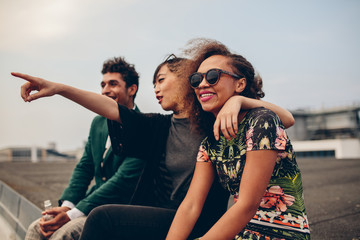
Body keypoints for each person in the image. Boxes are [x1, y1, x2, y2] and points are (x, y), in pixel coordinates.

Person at [12, 53, 294, 239]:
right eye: (153, 83)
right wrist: (59, 88)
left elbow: (285, 118)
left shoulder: (214, 124)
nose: (156, 89)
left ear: (185, 81)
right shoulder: (162, 127)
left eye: (161, 80)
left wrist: (239, 100)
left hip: (203, 222)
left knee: (101, 219)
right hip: (168, 216)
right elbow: (112, 109)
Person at [166, 39, 310, 240]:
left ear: (240, 83)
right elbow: (190, 206)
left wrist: (239, 100)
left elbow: (247, 204)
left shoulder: (262, 122)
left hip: (282, 235)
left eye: (213, 76)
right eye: (196, 79)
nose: (203, 84)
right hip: (242, 234)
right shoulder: (211, 143)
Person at [24, 57, 146, 240]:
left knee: (66, 234)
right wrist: (67, 205)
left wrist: (72, 214)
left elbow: (123, 181)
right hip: (90, 205)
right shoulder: (98, 122)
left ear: (132, 89)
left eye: (113, 84)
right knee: (37, 228)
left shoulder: (144, 126)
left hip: (120, 211)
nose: (105, 90)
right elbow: (85, 166)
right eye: (103, 84)